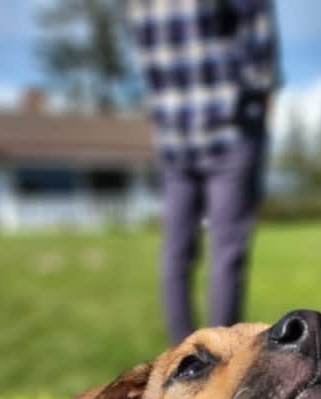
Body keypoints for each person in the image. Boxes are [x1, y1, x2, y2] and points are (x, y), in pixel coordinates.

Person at [127, 0, 279, 345]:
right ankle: (225, 354)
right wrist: (262, 108)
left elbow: (148, 56)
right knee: (226, 251)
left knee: (176, 250)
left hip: (172, 134)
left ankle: (184, 356)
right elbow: (259, 53)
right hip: (230, 127)